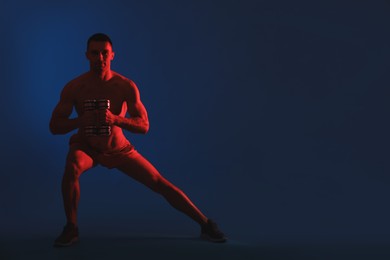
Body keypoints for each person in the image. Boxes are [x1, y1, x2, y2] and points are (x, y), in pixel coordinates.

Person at [49, 33, 226, 246]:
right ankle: (71, 228)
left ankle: (205, 224)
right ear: (87, 55)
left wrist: (115, 119)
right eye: (95, 53)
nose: (100, 58)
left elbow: (144, 126)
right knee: (72, 167)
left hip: (118, 149)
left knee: (158, 183)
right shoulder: (75, 87)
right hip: (86, 146)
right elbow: (55, 126)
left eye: (105, 53)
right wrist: (81, 121)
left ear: (112, 55)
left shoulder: (125, 86)